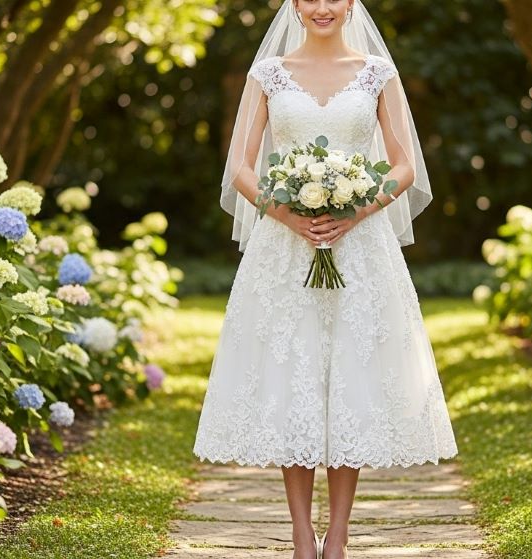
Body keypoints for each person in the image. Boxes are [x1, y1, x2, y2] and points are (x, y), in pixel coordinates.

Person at [192, 1, 458, 557]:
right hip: (283, 247)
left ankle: (338, 533)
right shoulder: (267, 75)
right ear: (293, 5)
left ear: (350, 4)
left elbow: (405, 164)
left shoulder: (376, 73)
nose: (321, 7)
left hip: (360, 245)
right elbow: (240, 165)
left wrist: (357, 209)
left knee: (351, 375)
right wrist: (285, 213)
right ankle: (298, 533)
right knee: (294, 373)